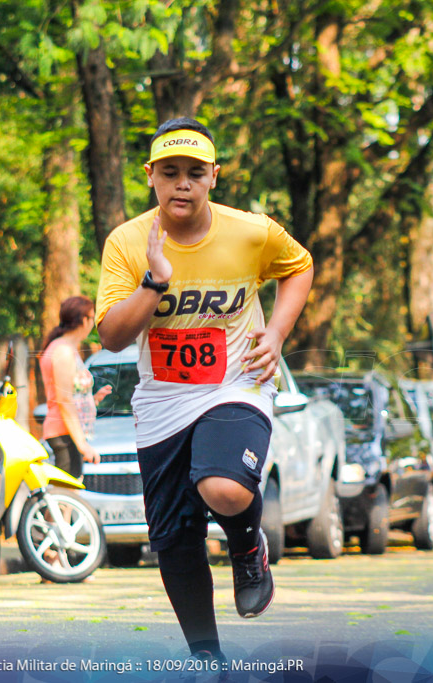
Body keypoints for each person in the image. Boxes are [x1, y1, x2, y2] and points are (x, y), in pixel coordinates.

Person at [95, 117, 314, 663]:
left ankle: (246, 547)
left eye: (196, 172)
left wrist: (279, 332)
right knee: (172, 539)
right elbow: (114, 336)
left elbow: (300, 266)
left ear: (214, 176)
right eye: (171, 173)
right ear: (152, 177)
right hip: (163, 399)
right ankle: (207, 659)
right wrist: (155, 282)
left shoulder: (251, 231)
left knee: (222, 487)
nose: (183, 184)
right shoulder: (126, 242)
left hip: (237, 384)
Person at [39, 296, 112, 480]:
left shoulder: (66, 347)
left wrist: (93, 399)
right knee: (65, 499)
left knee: (68, 500)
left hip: (68, 432)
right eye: (93, 317)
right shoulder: (62, 351)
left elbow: (70, 394)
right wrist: (82, 445)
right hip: (64, 433)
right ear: (85, 320)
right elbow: (63, 400)